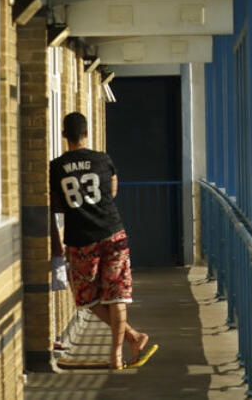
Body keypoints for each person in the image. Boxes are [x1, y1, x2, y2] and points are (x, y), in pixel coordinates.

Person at [50, 112, 151, 369]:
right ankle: (119, 352)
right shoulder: (103, 160)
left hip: (80, 239)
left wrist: (78, 207)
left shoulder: (56, 166)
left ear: (64, 135)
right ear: (86, 134)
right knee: (117, 296)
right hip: (112, 232)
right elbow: (112, 191)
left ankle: (133, 337)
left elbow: (57, 203)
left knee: (87, 298)